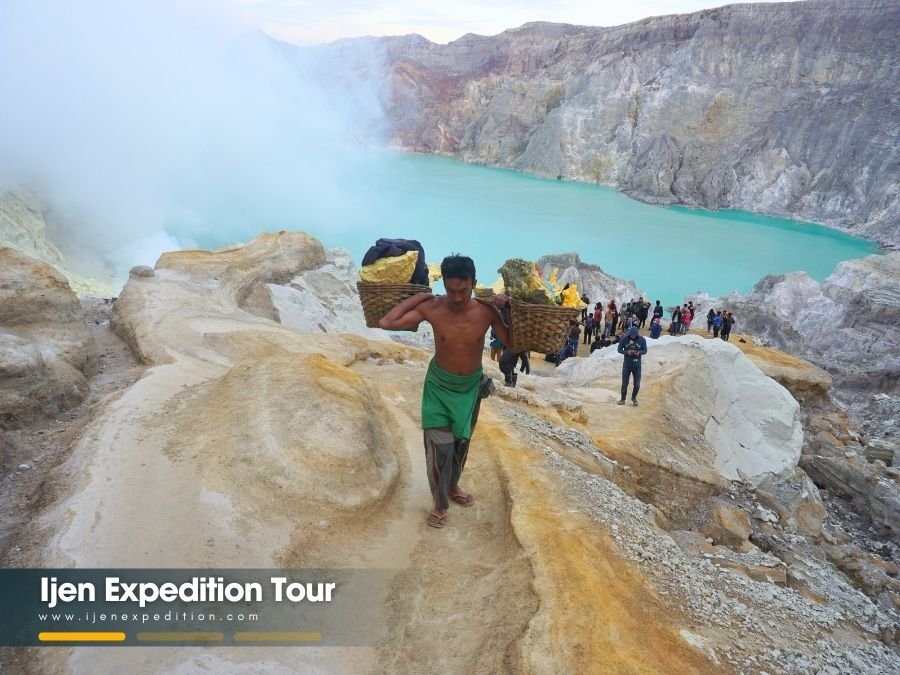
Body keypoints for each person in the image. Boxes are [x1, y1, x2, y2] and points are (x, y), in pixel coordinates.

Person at [379, 254, 512, 530]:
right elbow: (387, 323)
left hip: (469, 389)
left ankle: (452, 487)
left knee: (460, 446)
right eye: (450, 291)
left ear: (473, 284)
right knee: (440, 449)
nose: (457, 298)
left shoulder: (487, 312)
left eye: (463, 291)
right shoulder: (434, 308)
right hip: (438, 387)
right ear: (444, 288)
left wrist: (508, 307)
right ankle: (440, 503)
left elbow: (512, 341)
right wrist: (423, 297)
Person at [617, 326, 647, 406]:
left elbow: (645, 350)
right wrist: (627, 352)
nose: (632, 337)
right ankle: (623, 399)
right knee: (624, 384)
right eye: (631, 335)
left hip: (637, 366)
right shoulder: (624, 339)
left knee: (637, 384)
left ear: (637, 334)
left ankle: (634, 398)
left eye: (634, 336)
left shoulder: (642, 340)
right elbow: (619, 349)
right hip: (627, 365)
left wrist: (639, 353)